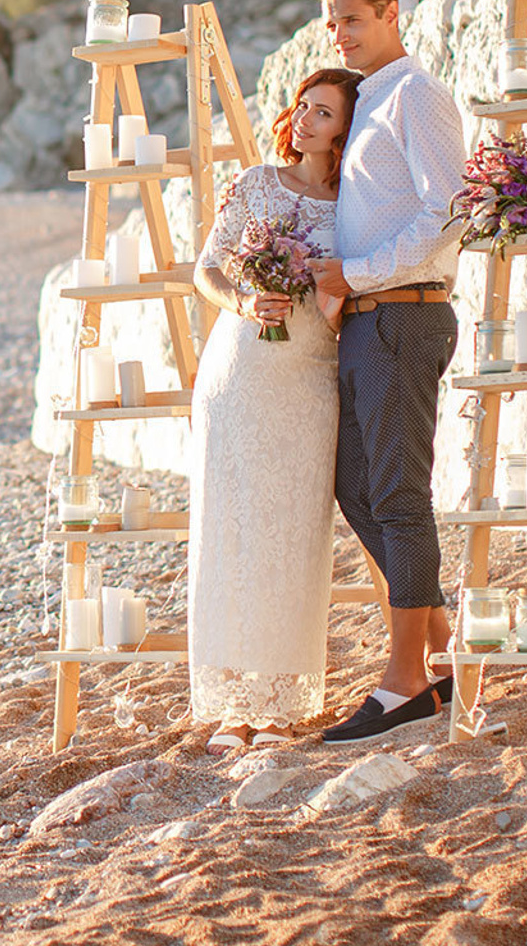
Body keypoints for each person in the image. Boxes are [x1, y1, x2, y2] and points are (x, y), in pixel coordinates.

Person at [303, 0, 469, 745]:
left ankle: (405, 685)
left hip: (405, 314)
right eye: (332, 22)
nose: (341, 33)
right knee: (356, 487)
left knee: (399, 497)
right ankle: (443, 651)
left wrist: (358, 273)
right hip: (367, 320)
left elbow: (450, 214)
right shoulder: (366, 99)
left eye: (353, 20)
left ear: (391, 12)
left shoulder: (418, 96)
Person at [186, 68, 362, 752]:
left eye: (323, 112)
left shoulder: (354, 202)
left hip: (309, 381)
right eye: (302, 106)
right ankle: (232, 703)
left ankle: (281, 701)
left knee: (291, 534)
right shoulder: (257, 182)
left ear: (345, 132)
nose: (305, 119)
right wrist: (243, 300)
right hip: (237, 373)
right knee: (230, 530)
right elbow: (206, 268)